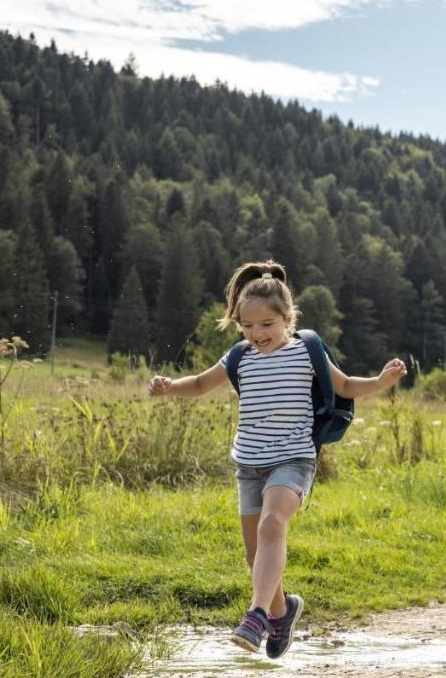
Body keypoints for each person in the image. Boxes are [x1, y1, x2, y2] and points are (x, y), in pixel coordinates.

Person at [149, 261, 406, 657]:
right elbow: (200, 384)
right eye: (247, 327)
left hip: (294, 459)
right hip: (249, 465)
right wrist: (169, 389)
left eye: (266, 325)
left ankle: (256, 617)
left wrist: (381, 382)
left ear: (288, 318)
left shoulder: (307, 350)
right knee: (256, 556)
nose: (257, 334)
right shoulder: (239, 357)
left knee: (273, 525)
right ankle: (282, 611)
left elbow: (346, 385)